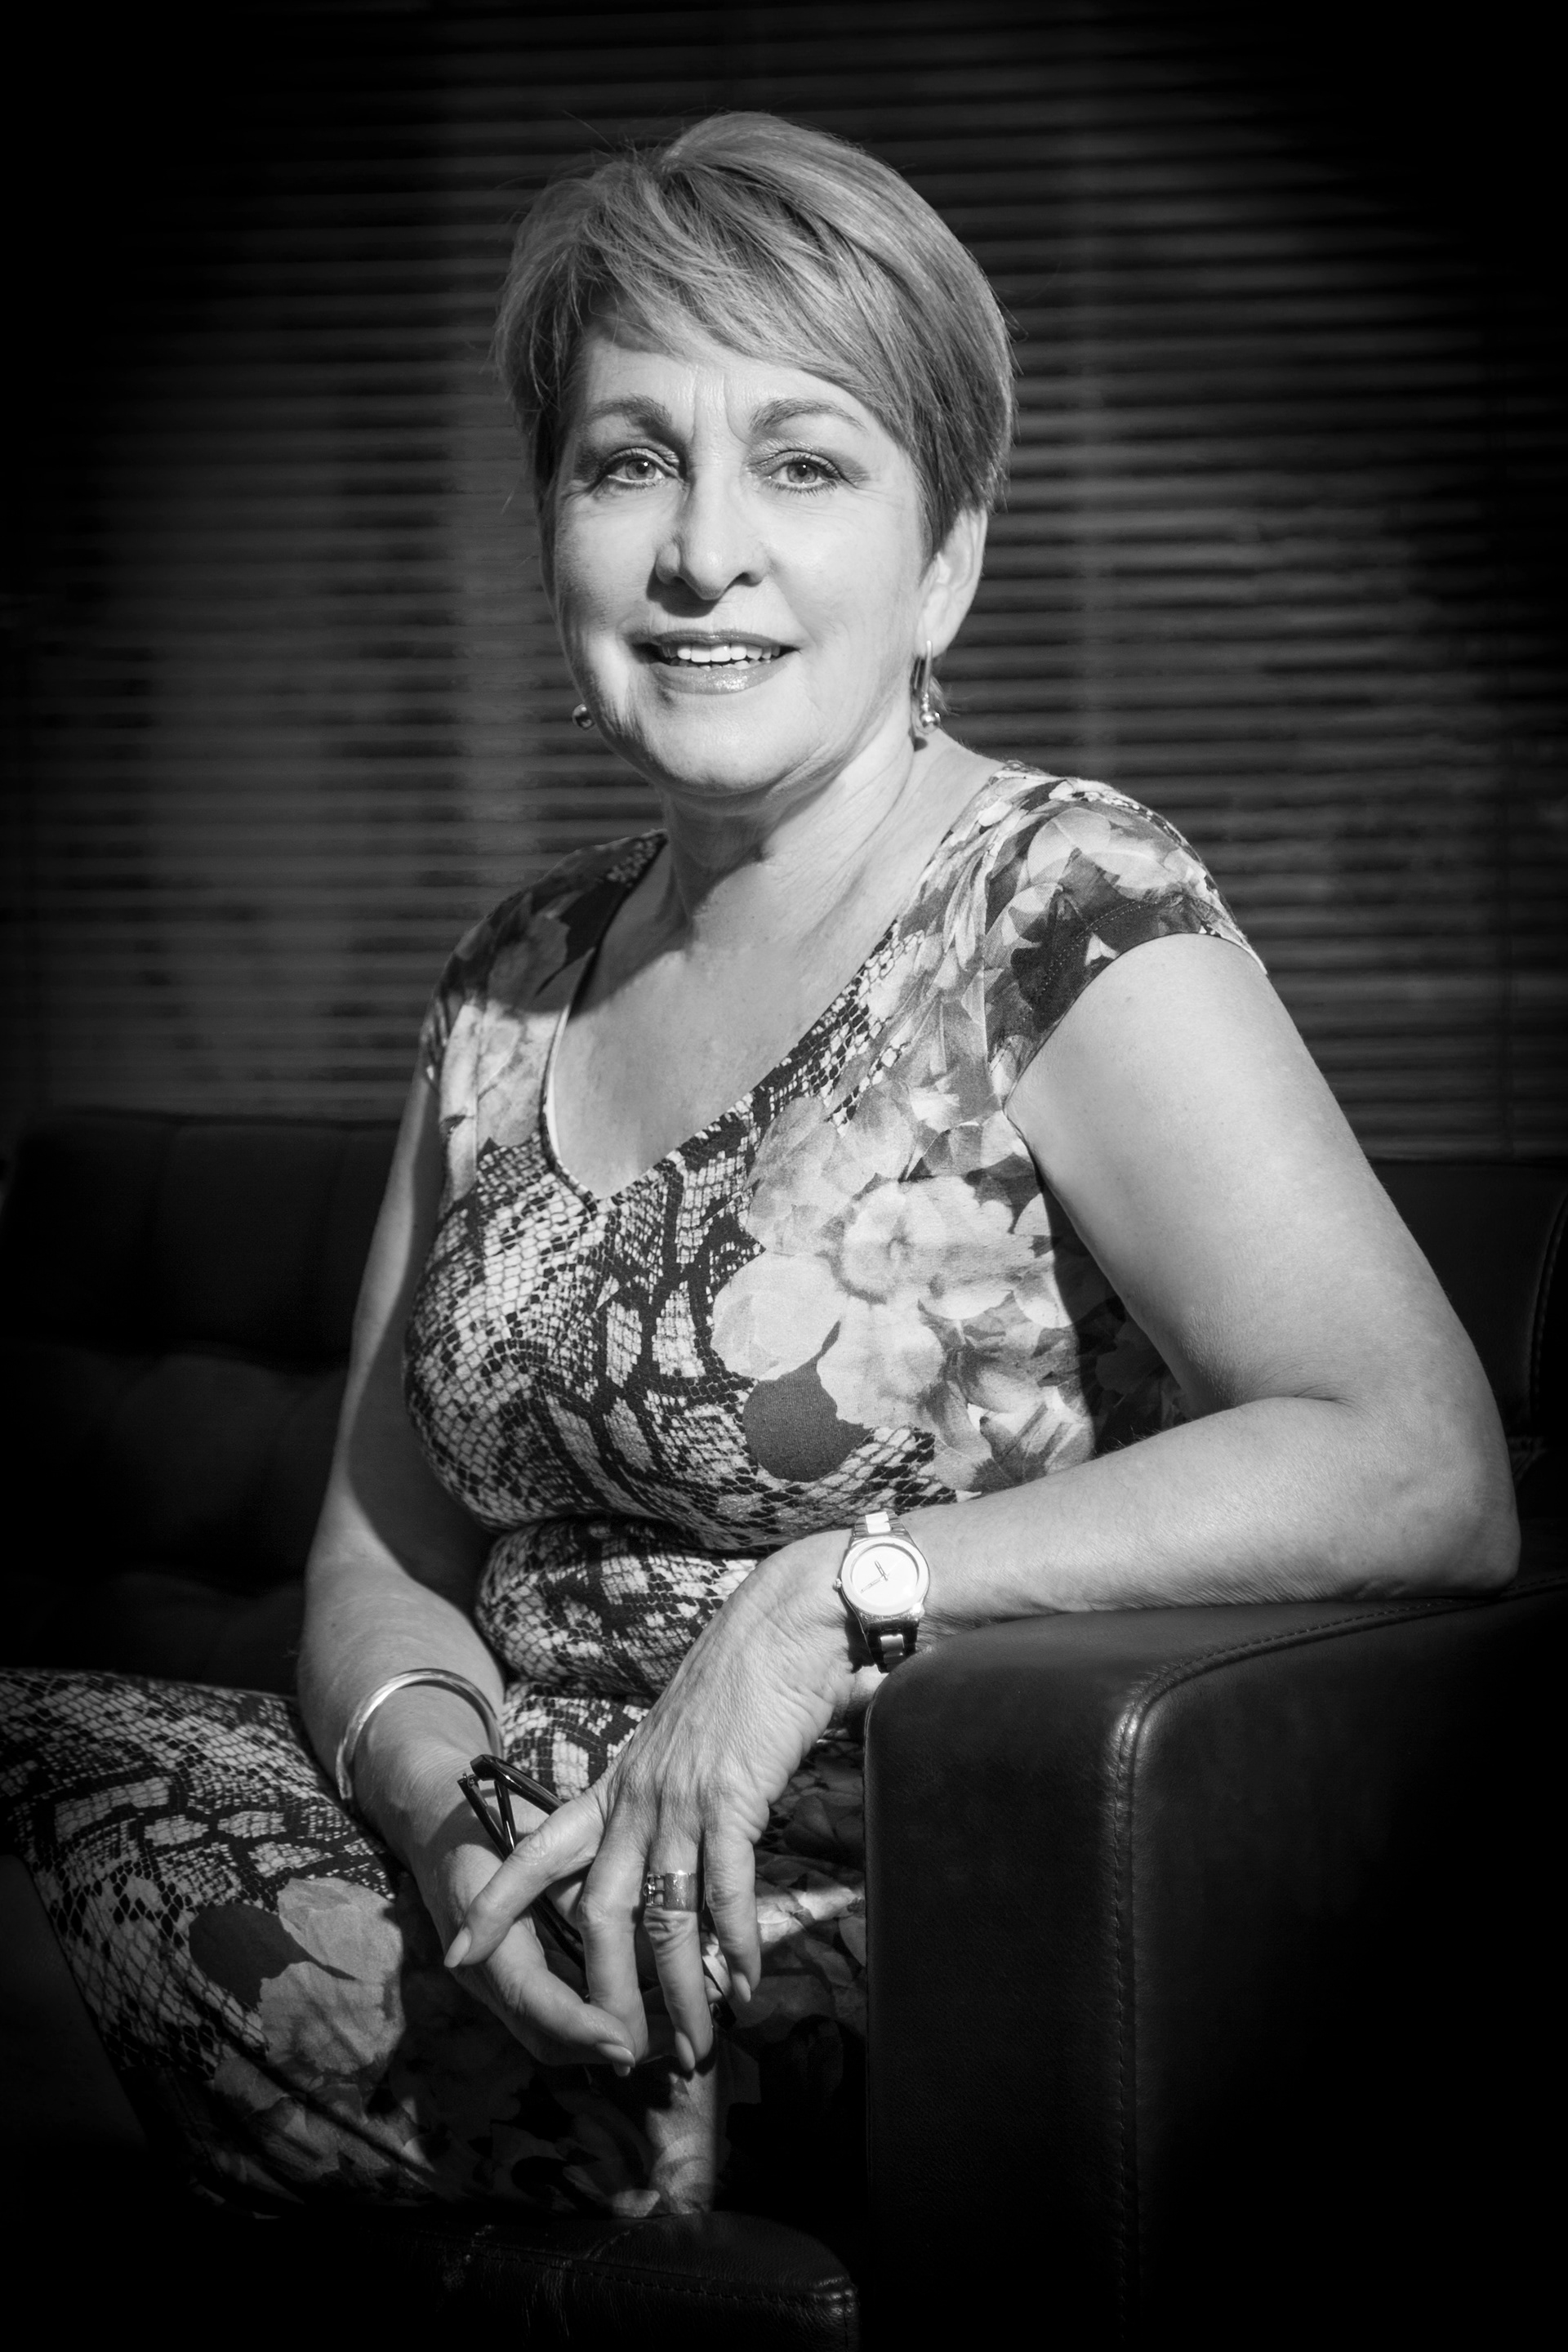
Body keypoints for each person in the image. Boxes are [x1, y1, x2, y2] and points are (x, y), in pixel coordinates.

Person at [0, 114, 1516, 2238]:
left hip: (868, 1929)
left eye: (805, 465)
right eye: (631, 462)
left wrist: (830, 1598)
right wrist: (440, 1803)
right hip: (501, 1876)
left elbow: (1417, 1459)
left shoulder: (1055, 906)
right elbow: (377, 1550)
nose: (703, 552)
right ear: (554, 527)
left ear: (946, 559)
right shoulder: (511, 974)